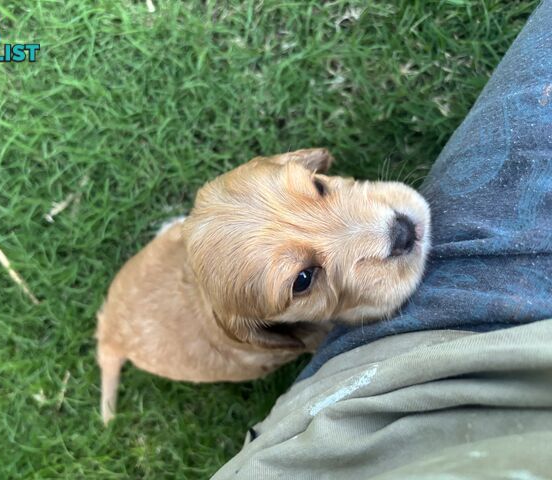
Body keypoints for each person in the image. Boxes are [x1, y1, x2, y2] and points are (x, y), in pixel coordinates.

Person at [214, 1, 552, 478]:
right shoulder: (252, 331)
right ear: (271, 332)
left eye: (318, 188)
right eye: (305, 277)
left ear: (311, 164)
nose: (383, 229)